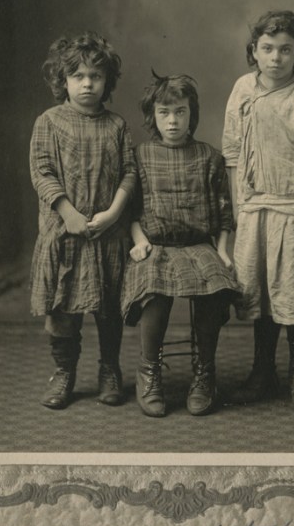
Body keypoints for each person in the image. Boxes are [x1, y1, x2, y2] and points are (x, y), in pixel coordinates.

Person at [222, 11, 294, 411]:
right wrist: (239, 209)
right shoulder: (242, 90)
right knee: (261, 293)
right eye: (267, 49)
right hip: (254, 209)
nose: (275, 58)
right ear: (253, 51)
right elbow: (233, 154)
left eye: (285, 50)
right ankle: (263, 371)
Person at [121, 73, 239, 418]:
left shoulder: (208, 156)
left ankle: (204, 373)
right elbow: (131, 210)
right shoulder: (140, 155)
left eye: (181, 112)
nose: (173, 121)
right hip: (155, 246)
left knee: (215, 287)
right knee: (154, 290)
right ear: (153, 116)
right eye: (164, 113)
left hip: (199, 245)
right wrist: (140, 242)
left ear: (192, 114)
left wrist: (222, 250)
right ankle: (149, 371)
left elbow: (223, 211)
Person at [30, 32, 136, 410]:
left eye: (95, 76)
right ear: (63, 81)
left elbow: (128, 172)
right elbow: (42, 172)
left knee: (108, 307)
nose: (87, 83)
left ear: (107, 81)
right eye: (77, 76)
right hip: (66, 233)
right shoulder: (49, 122)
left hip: (106, 233)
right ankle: (64, 373)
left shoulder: (116, 126)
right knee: (63, 312)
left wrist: (113, 213)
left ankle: (110, 369)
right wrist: (68, 213)